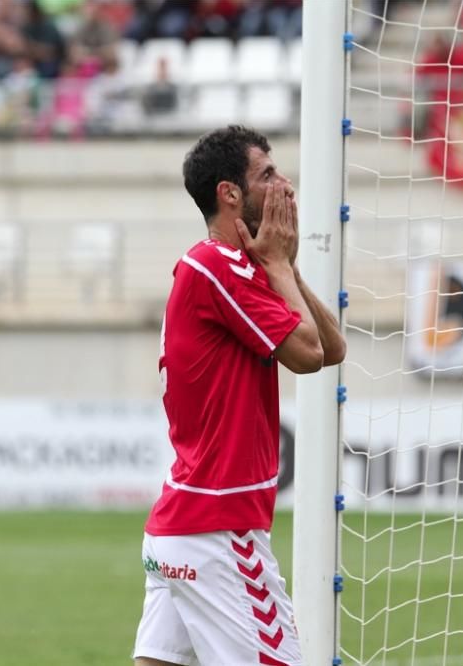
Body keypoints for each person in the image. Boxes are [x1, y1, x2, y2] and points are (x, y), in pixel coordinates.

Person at [133, 125, 346, 666]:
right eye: (267, 175)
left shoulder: (239, 269)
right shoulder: (216, 266)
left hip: (181, 527)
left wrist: (287, 267)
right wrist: (277, 267)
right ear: (230, 193)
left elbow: (334, 345)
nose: (284, 185)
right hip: (218, 532)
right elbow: (308, 356)